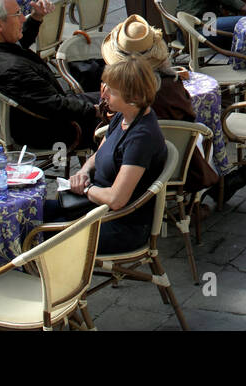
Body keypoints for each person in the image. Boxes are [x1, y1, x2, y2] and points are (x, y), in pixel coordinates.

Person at [43, 55, 170, 254]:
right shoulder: (123, 116)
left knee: (40, 236)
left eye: (111, 91)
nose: (103, 95)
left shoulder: (141, 138)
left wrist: (86, 189)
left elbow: (116, 199)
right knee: (32, 215)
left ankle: (44, 280)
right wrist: (83, 172)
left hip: (122, 225)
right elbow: (99, 155)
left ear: (133, 97)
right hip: (96, 208)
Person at [98, 16, 223, 196]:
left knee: (196, 133)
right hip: (173, 166)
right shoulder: (169, 88)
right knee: (200, 132)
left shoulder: (122, 94)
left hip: (124, 166)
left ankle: (212, 188)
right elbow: (188, 117)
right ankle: (210, 189)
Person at [0, 0, 101, 150]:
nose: (22, 18)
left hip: (39, 113)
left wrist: (36, 18)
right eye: (17, 14)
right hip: (51, 130)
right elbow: (55, 105)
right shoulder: (13, 69)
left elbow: (20, 43)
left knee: (119, 96)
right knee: (124, 118)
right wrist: (96, 110)